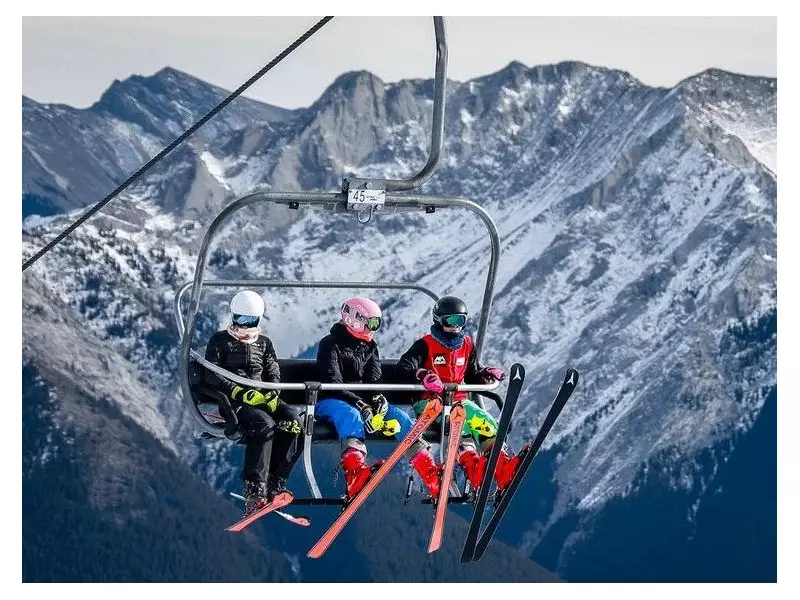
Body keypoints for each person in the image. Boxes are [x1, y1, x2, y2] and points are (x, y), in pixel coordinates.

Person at [315, 296, 442, 500]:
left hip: (363, 404)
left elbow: (374, 380)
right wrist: (360, 404)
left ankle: (430, 474)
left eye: (376, 323)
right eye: (371, 322)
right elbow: (333, 383)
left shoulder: (370, 346)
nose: (373, 328)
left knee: (399, 417)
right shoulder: (330, 344)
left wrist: (377, 399)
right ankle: (355, 472)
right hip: (331, 401)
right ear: (354, 319)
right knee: (352, 416)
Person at [397, 295, 526, 494]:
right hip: (431, 403)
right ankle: (471, 464)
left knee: (484, 420)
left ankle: (501, 467)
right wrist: (422, 375)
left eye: (460, 321)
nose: (455, 326)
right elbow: (404, 367)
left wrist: (484, 375)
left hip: (459, 400)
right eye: (451, 321)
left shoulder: (466, 345)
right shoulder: (426, 345)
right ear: (438, 320)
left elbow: (471, 374)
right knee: (460, 424)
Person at [204, 290, 302, 516]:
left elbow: (273, 370)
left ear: (258, 319)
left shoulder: (264, 344)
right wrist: (237, 391)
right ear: (233, 316)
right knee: (264, 425)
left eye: (251, 321)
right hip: (235, 403)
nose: (245, 326)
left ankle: (276, 481)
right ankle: (255, 488)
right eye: (241, 319)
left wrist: (272, 392)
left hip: (264, 397)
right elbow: (212, 373)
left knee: (294, 422)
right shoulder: (220, 341)